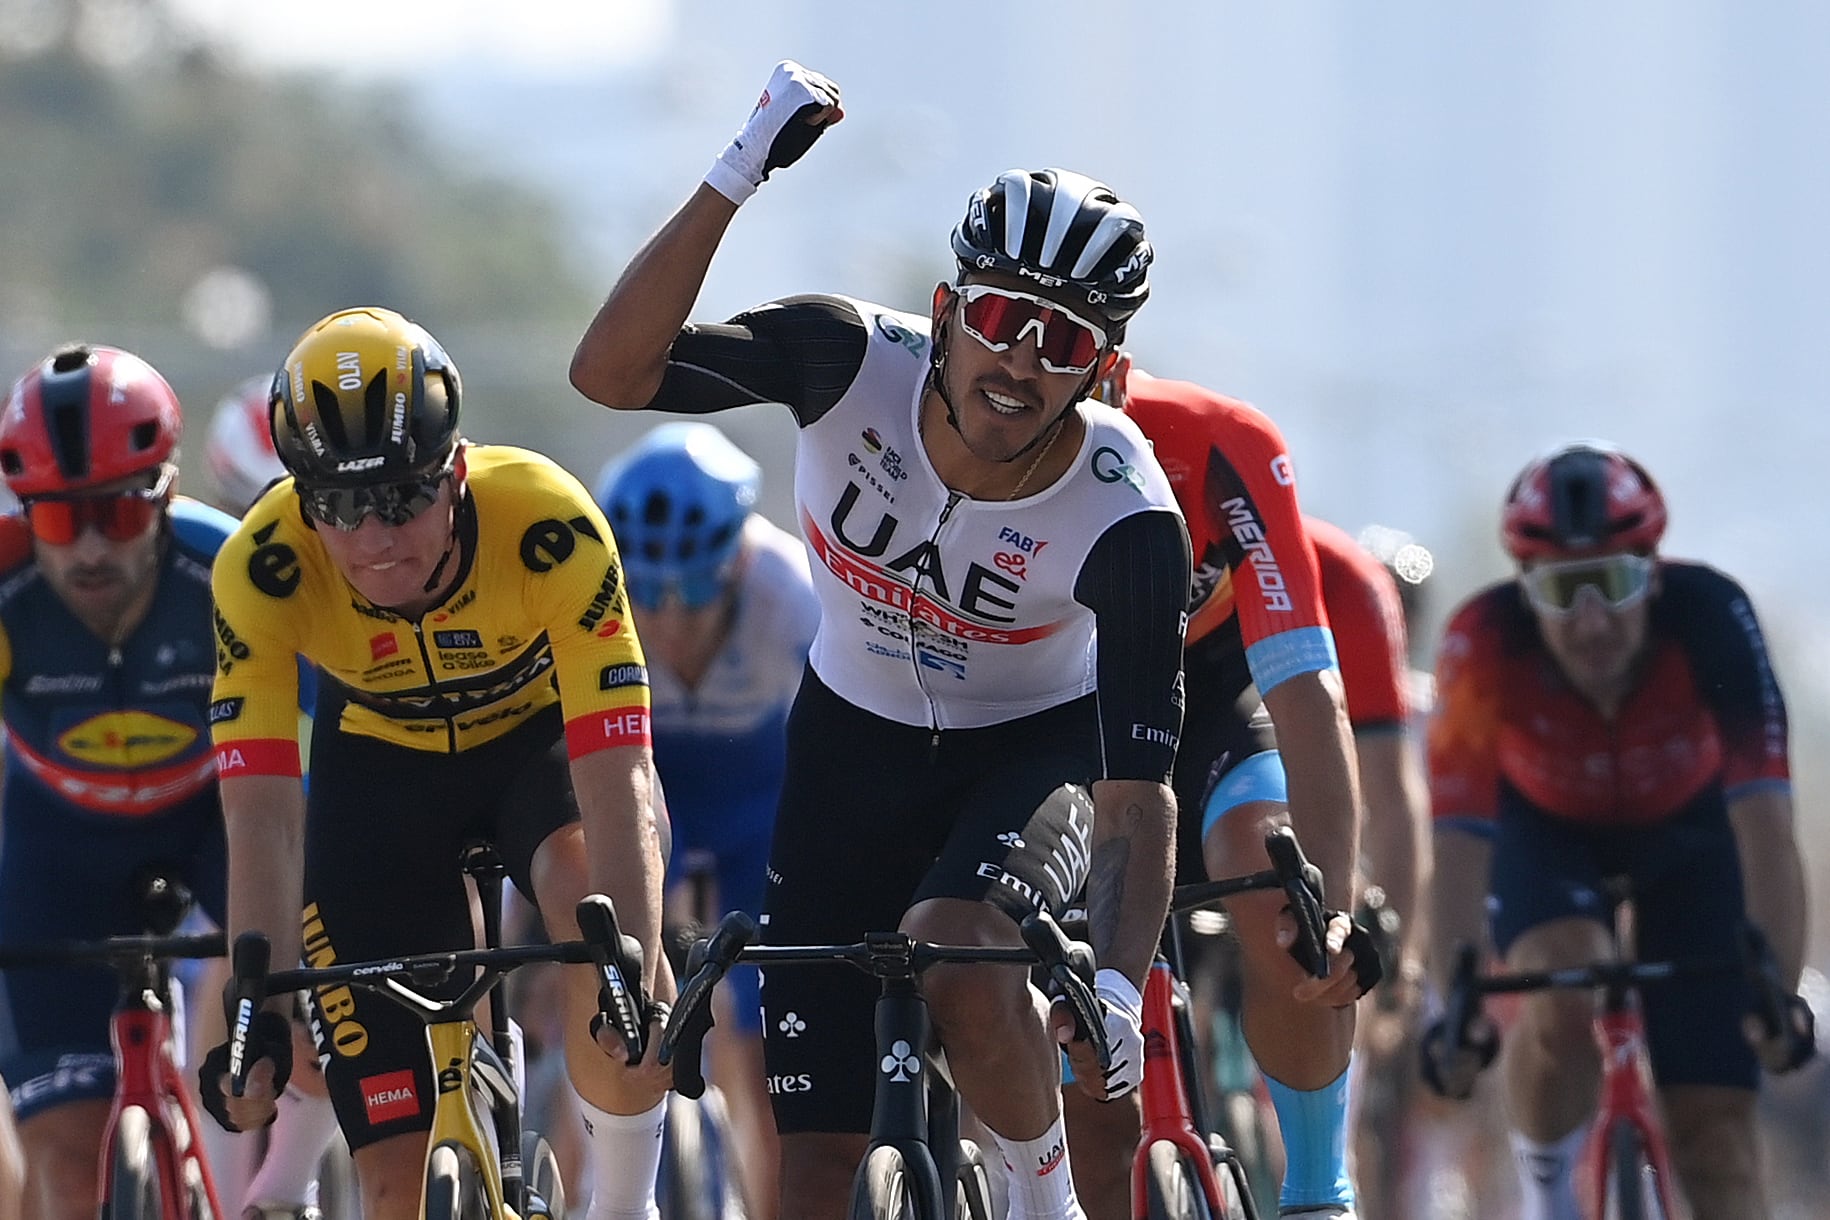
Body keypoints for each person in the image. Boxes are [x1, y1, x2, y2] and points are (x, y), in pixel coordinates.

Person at [570, 59, 1195, 1220]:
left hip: (1030, 750)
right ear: (951, 309)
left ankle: (1041, 1198)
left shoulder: (1129, 514)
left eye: (1063, 344)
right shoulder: (843, 358)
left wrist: (1113, 977)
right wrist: (736, 172)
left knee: (956, 945)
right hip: (846, 745)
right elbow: (608, 371)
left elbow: (1138, 789)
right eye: (1005, 319)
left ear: (1105, 373)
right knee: (811, 1165)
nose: (1020, 365)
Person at [198, 306, 674, 1220]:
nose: (376, 538)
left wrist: (636, 965)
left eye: (403, 498)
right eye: (339, 506)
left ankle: (622, 1201)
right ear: (299, 499)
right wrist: (252, 1002)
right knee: (394, 1184)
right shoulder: (260, 569)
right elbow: (260, 811)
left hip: (535, 753)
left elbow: (620, 769)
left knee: (598, 916)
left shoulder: (548, 519)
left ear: (455, 470)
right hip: (378, 773)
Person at [1423, 441, 1811, 1220]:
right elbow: (1459, 844)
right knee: (1569, 982)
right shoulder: (1482, 638)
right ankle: (1549, 1195)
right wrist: (1451, 1007)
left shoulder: (1712, 616)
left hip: (1693, 839)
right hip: (1546, 832)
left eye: (1612, 582)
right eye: (1565, 591)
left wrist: (1779, 991)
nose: (1592, 621)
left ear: (1653, 575)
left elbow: (1767, 824)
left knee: (1716, 1135)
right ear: (1525, 590)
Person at [1074, 360, 1380, 1220]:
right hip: (1057, 707)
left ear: (1116, 371)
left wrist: (1334, 910)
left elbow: (1308, 693)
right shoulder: (983, 435)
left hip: (1209, 693)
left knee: (1279, 891)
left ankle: (1320, 1188)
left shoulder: (1220, 446)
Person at [0, 344, 236, 1220]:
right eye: (60, 523)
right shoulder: (5, 585)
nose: (91, 547)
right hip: (55, 845)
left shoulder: (230, 572)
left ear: (165, 494)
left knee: (299, 1054)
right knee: (65, 1165)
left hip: (222, 819)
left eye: (118, 517)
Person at [596, 421, 818, 1220]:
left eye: (691, 590)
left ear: (738, 564)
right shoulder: (595, 598)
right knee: (596, 995)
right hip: (653, 791)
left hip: (765, 803)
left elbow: (843, 758)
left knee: (760, 1043)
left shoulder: (792, 594)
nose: (668, 619)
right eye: (646, 591)